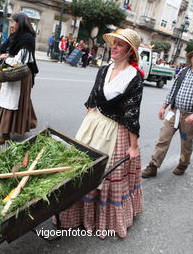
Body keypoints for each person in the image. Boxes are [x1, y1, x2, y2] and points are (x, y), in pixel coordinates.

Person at [57, 28, 145, 239]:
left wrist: (133, 147)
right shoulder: (104, 70)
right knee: (80, 168)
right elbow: (93, 98)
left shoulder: (134, 77)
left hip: (115, 130)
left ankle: (101, 220)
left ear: (130, 51)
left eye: (120, 44)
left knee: (105, 174)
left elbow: (131, 114)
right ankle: (78, 216)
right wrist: (87, 124)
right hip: (94, 123)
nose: (114, 47)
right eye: (113, 43)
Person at [141, 44, 193, 178]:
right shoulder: (183, 71)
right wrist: (163, 106)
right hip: (174, 112)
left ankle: (183, 163)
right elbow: (173, 90)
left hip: (190, 116)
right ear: (191, 56)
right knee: (163, 138)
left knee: (186, 142)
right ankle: (153, 166)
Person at [0, 12, 39, 145]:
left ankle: (5, 134)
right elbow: (3, 48)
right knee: (15, 102)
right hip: (12, 72)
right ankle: (25, 124)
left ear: (19, 22)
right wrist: (10, 37)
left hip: (20, 74)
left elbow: (21, 60)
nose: (11, 24)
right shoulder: (16, 35)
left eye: (13, 22)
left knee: (11, 102)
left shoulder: (27, 38)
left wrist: (6, 57)